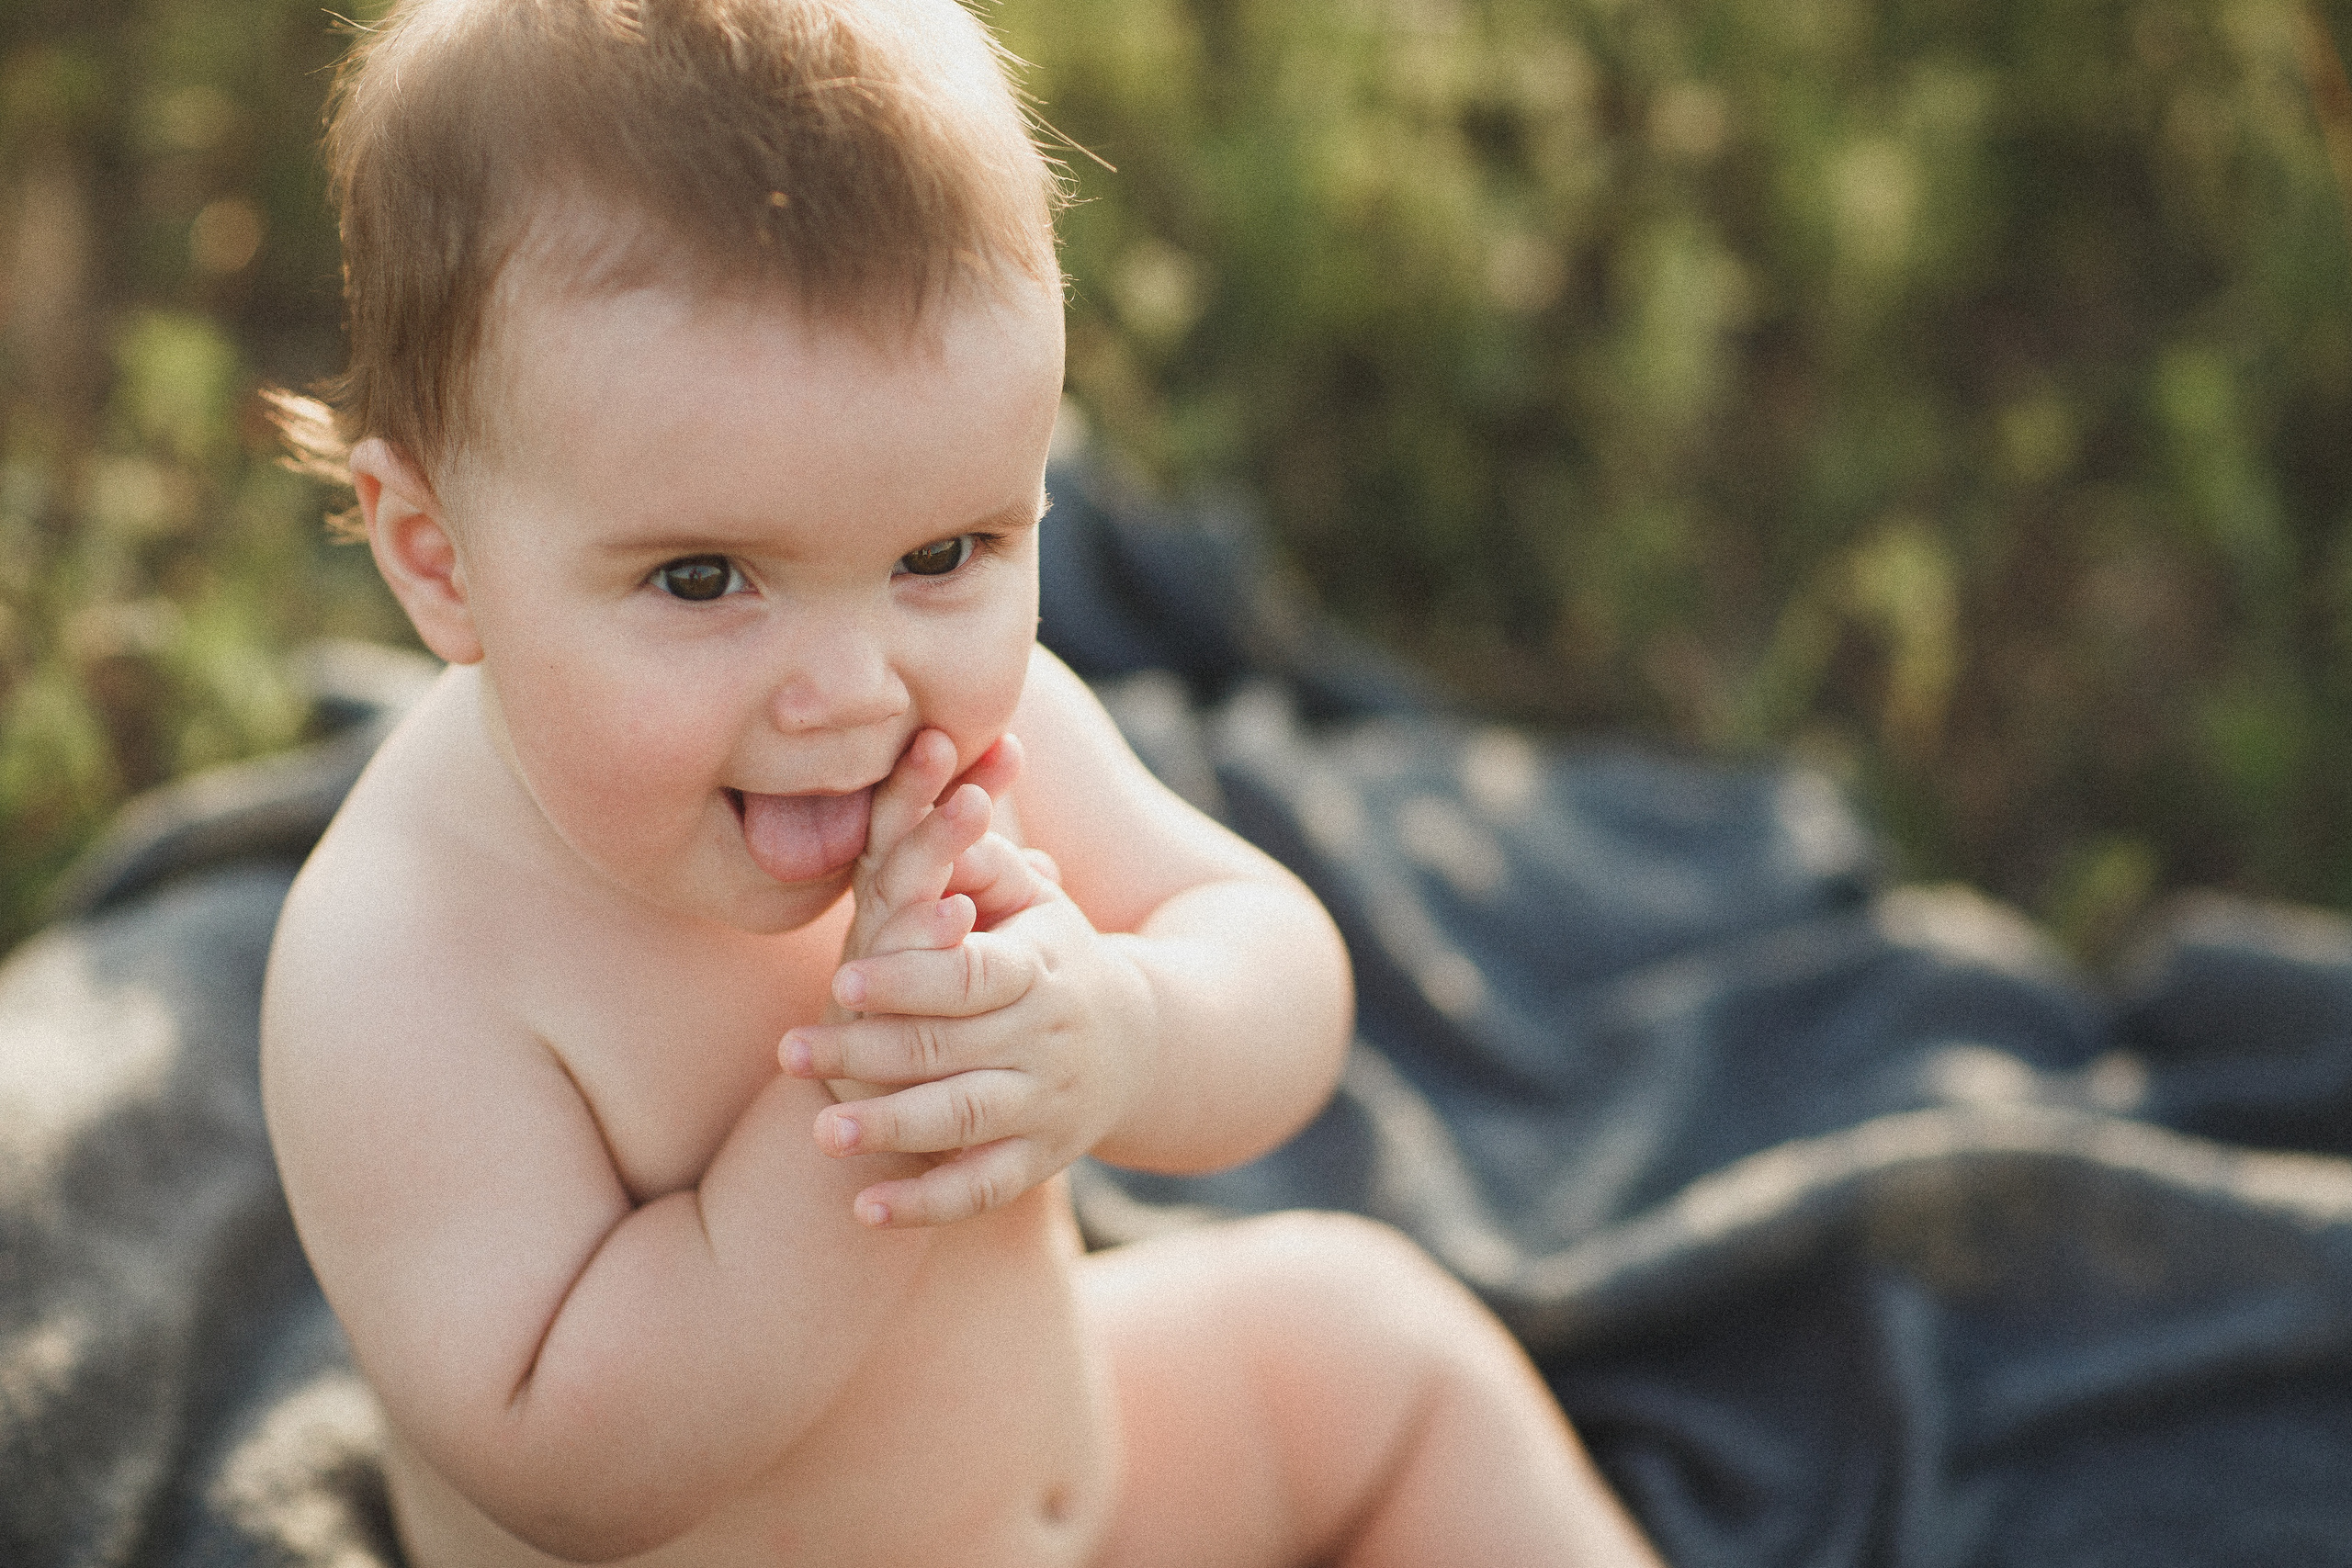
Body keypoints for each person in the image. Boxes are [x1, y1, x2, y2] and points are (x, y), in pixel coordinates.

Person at [259, 2, 1667, 1563]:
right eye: (706, 577)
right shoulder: (406, 956)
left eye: (946, 554)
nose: (855, 688)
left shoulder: (972, 747)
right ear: (438, 559)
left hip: (1087, 1483)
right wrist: (878, 1107)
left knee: (1373, 1347)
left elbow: (1276, 966)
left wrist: (1124, 1035)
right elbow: (566, 1459)